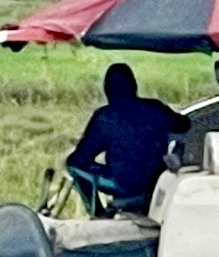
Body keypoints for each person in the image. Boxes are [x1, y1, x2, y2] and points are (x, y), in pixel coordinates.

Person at [66, 62, 186, 212]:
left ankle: (96, 212)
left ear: (107, 89)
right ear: (134, 86)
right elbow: (184, 124)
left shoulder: (105, 117)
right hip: (155, 181)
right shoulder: (155, 108)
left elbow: (80, 158)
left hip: (121, 184)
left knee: (73, 164)